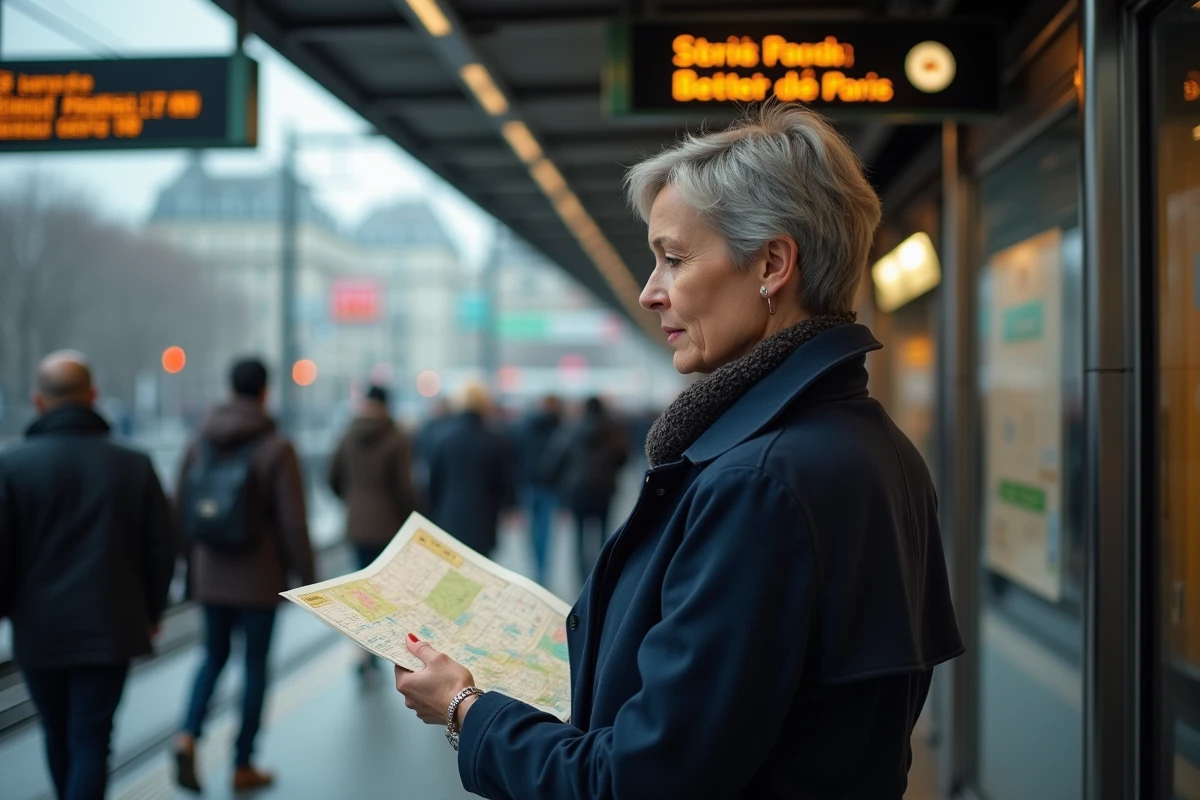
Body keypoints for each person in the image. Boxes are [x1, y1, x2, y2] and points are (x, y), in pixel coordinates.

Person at [392, 103, 964, 798]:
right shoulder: (880, 450)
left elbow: (639, 781)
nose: (649, 292)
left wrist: (467, 710)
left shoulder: (757, 484)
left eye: (674, 258)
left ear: (773, 264)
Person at [0, 351, 176, 800]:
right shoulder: (133, 464)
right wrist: (152, 612)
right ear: (93, 396)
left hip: (39, 631)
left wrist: (10, 613)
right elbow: (162, 549)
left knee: (56, 735)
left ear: (38, 402)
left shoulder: (11, 467)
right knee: (92, 740)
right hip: (110, 627)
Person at [173, 358, 315, 794]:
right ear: (265, 392)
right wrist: (307, 579)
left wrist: (188, 564)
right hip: (258, 578)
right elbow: (293, 521)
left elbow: (180, 505)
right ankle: (242, 763)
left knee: (211, 657)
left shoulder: (199, 439)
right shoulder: (276, 446)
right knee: (254, 668)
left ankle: (187, 735)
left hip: (211, 574)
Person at [328, 384, 418, 682]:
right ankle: (378, 650)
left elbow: (332, 477)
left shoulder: (347, 435)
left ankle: (361, 650)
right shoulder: (396, 438)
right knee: (384, 591)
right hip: (388, 525)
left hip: (356, 523)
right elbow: (405, 488)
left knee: (359, 589)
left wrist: (353, 500)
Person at [541, 396, 629, 585]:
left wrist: (559, 482)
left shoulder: (572, 429)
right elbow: (623, 457)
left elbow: (555, 459)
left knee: (579, 537)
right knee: (603, 536)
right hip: (604, 490)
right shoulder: (613, 430)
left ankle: (583, 581)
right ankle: (601, 577)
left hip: (578, 490)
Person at [425, 382, 513, 559]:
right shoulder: (495, 441)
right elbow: (503, 484)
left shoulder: (444, 439)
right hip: (483, 520)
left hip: (449, 517)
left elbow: (434, 483)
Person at [514, 395, 562, 586]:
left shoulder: (526, 427)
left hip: (529, 483)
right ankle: (542, 570)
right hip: (549, 486)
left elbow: (518, 456)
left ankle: (537, 567)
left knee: (533, 528)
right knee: (545, 529)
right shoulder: (559, 428)